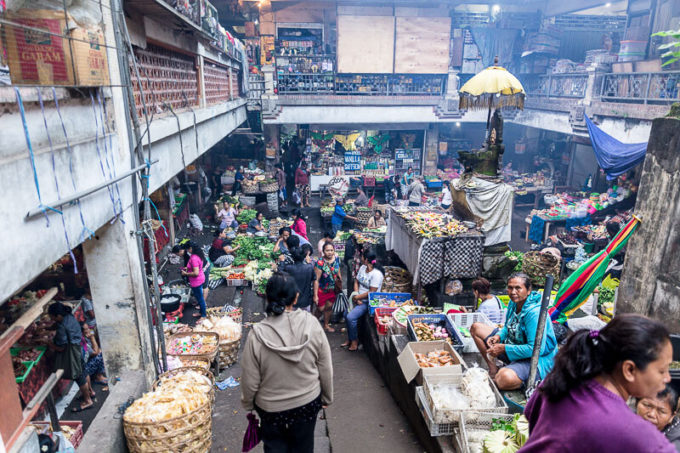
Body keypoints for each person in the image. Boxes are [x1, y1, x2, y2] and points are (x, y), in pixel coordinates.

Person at [521, 314, 675, 452]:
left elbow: (531, 417)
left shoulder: (560, 379)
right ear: (629, 370)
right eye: (662, 370)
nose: (667, 378)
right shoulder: (641, 438)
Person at [241, 272, 333, 453]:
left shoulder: (257, 334)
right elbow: (325, 366)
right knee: (304, 447)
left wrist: (248, 404)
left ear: (267, 297)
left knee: (274, 448)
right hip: (307, 403)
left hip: (270, 409)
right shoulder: (312, 324)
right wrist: (327, 396)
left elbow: (250, 379)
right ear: (296, 296)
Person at [471, 273, 557, 390]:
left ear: (528, 290)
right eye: (510, 287)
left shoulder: (534, 313)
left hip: (536, 359)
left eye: (518, 288)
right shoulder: (514, 302)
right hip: (515, 344)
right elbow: (508, 326)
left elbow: (535, 349)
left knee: (504, 378)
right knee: (476, 328)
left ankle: (521, 378)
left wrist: (504, 348)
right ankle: (493, 368)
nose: (513, 292)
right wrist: (499, 336)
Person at [48, 302, 94, 412]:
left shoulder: (62, 326)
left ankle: (88, 401)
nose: (52, 319)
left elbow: (61, 348)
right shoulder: (69, 316)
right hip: (79, 346)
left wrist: (48, 343)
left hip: (72, 351)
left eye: (53, 317)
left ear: (58, 315)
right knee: (83, 371)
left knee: (78, 376)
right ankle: (90, 392)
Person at [342, 249, 384, 352]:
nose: (360, 258)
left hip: (369, 301)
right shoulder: (362, 267)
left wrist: (359, 298)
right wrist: (356, 295)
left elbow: (372, 292)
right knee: (345, 314)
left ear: (365, 259)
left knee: (350, 317)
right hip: (358, 297)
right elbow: (356, 281)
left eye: (362, 257)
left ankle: (354, 341)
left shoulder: (376, 274)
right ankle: (350, 338)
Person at [636, 385, 680, 449]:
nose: (652, 414)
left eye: (661, 411)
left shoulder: (675, 444)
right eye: (647, 405)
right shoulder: (623, 420)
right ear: (636, 404)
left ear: (672, 417)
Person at [313, 242, 342, 333]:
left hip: (333, 290)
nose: (329, 252)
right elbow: (316, 280)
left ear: (334, 250)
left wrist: (340, 284)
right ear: (323, 251)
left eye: (331, 250)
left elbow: (338, 272)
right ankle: (311, 324)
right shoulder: (320, 263)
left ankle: (326, 325)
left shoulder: (337, 259)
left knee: (329, 307)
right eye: (327, 250)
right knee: (320, 309)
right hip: (322, 290)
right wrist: (315, 295)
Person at [280, 247, 316, 312]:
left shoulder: (288, 268)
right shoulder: (309, 267)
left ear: (293, 257)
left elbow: (279, 274)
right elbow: (314, 279)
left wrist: (282, 262)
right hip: (305, 301)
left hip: (292, 301)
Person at [181, 242, 207, 319]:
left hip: (196, 281)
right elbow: (196, 268)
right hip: (200, 278)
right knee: (199, 297)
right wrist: (188, 269)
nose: (187, 251)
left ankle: (203, 315)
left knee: (200, 299)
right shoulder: (198, 254)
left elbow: (196, 273)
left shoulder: (194, 258)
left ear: (191, 248)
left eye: (187, 249)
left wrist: (186, 274)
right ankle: (201, 313)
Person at [81, 323, 107, 390]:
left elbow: (92, 331)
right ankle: (98, 377)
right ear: (82, 332)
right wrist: (92, 337)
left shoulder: (87, 337)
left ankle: (98, 375)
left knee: (100, 351)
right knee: (100, 354)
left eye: (88, 328)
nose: (88, 330)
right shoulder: (82, 341)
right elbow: (95, 352)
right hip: (84, 369)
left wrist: (92, 335)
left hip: (88, 362)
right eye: (86, 329)